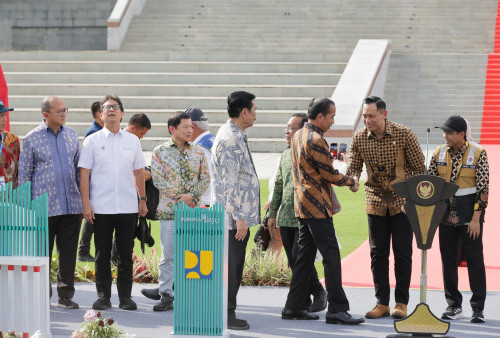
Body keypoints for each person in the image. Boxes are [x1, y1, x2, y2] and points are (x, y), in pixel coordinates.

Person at [282, 97, 364, 325]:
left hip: (302, 204)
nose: (333, 121)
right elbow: (329, 174)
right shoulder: (316, 139)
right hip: (317, 207)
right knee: (330, 256)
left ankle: (294, 306)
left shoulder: (298, 135)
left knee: (304, 258)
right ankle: (337, 309)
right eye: (331, 117)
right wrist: (351, 181)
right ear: (319, 117)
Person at [346, 96, 425, 319]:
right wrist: (351, 180)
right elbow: (353, 167)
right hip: (375, 201)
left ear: (384, 114)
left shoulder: (404, 134)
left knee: (403, 253)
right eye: (364, 116)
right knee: (377, 254)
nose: (367, 120)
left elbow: (419, 169)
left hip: (403, 203)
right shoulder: (360, 137)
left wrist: (412, 200)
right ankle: (382, 303)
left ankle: (402, 303)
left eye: (371, 115)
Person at [78, 94, 147, 311]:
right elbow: (84, 174)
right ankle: (103, 297)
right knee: (102, 254)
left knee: (125, 254)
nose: (111, 110)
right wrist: (86, 204)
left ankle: (125, 297)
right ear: (100, 114)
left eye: (115, 107)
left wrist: (142, 200)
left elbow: (138, 172)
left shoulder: (132, 141)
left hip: (128, 207)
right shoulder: (92, 141)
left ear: (122, 113)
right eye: (106, 108)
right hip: (101, 207)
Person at [18, 96, 82, 309]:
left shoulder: (72, 135)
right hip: (43, 208)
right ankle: (41, 295)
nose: (64, 114)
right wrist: (26, 208)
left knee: (68, 253)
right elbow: (24, 175)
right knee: (41, 253)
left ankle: (66, 296)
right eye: (59, 111)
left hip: (71, 205)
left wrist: (84, 201)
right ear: (45, 114)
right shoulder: (31, 138)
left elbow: (79, 170)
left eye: (65, 110)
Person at [145, 111, 209, 312]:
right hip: (170, 212)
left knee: (195, 253)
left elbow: (205, 178)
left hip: (194, 211)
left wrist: (192, 196)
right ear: (172, 129)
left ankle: (194, 294)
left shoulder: (198, 152)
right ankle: (166, 294)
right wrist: (183, 195)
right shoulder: (159, 152)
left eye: (191, 126)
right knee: (169, 255)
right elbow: (158, 180)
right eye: (185, 127)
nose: (190, 130)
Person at [428, 115, 488, 323]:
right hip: (445, 215)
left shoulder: (478, 153)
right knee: (448, 261)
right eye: (444, 132)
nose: (445, 136)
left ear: (461, 134)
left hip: (470, 214)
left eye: (449, 133)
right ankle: (453, 305)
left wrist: (476, 219)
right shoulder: (438, 152)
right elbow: (430, 182)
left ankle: (477, 307)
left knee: (474, 260)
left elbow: (482, 188)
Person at [267, 112, 327, 313]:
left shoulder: (310, 150)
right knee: (294, 263)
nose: (287, 131)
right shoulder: (285, 154)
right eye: (287, 127)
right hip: (285, 218)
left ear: (302, 130)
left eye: (292, 128)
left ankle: (318, 291)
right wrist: (272, 213)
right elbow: (278, 185)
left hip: (304, 215)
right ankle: (305, 299)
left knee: (302, 260)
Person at [211, 91, 260, 330]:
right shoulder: (230, 138)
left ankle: (227, 312)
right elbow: (229, 184)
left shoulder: (235, 134)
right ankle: (226, 314)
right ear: (244, 112)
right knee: (231, 268)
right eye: (254, 109)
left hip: (233, 218)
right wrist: (240, 218)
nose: (255, 114)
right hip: (231, 220)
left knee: (233, 266)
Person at [78, 101, 104, 262]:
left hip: (97, 182)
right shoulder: (93, 133)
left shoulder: (100, 130)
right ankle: (83, 250)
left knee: (93, 217)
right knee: (90, 217)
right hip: (93, 182)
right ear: (97, 114)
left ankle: (84, 250)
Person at [0, 99, 19, 188]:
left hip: (8, 195)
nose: (5, 119)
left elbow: (18, 170)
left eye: (5, 115)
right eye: (1, 116)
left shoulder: (13, 139)